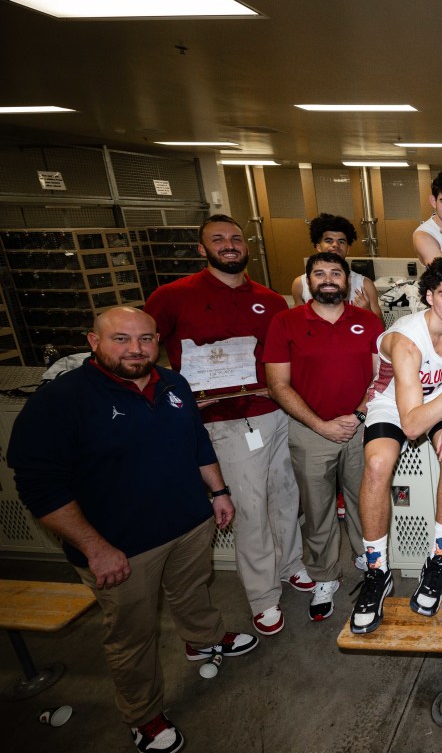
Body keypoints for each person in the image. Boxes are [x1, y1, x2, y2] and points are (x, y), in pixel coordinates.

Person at [9, 307, 257, 753]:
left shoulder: (172, 383)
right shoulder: (62, 400)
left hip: (188, 523)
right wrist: (95, 548)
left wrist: (219, 491)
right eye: (121, 339)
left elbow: (197, 441)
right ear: (93, 342)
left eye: (145, 339)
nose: (135, 349)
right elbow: (38, 486)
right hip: (120, 546)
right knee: (132, 634)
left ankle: (202, 641)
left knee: (194, 591)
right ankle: (143, 716)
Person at [144, 215, 311, 637]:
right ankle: (262, 596)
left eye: (235, 238)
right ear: (202, 249)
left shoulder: (271, 301)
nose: (229, 245)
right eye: (218, 239)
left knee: (285, 496)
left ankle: (291, 565)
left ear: (247, 245)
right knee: (251, 508)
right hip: (222, 420)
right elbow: (144, 349)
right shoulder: (172, 297)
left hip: (273, 411)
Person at [350, 256, 442, 633]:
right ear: (429, 297)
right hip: (395, 404)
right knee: (378, 464)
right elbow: (410, 424)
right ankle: (378, 571)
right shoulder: (408, 341)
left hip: (441, 400)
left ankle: (437, 560)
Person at [264, 252, 384, 622]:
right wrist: (320, 425)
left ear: (347, 281)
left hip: (361, 426)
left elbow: (383, 376)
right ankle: (324, 576)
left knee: (366, 501)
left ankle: (371, 564)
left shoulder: (367, 321)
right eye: (320, 273)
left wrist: (360, 414)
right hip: (310, 431)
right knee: (318, 511)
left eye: (336, 273)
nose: (328, 279)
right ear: (308, 280)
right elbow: (277, 385)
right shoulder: (285, 322)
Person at [289, 213, 383, 319]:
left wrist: (367, 311)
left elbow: (380, 330)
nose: (335, 245)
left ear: (348, 249)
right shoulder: (300, 284)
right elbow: (296, 321)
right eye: (329, 241)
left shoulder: (365, 284)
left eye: (341, 241)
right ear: (318, 246)